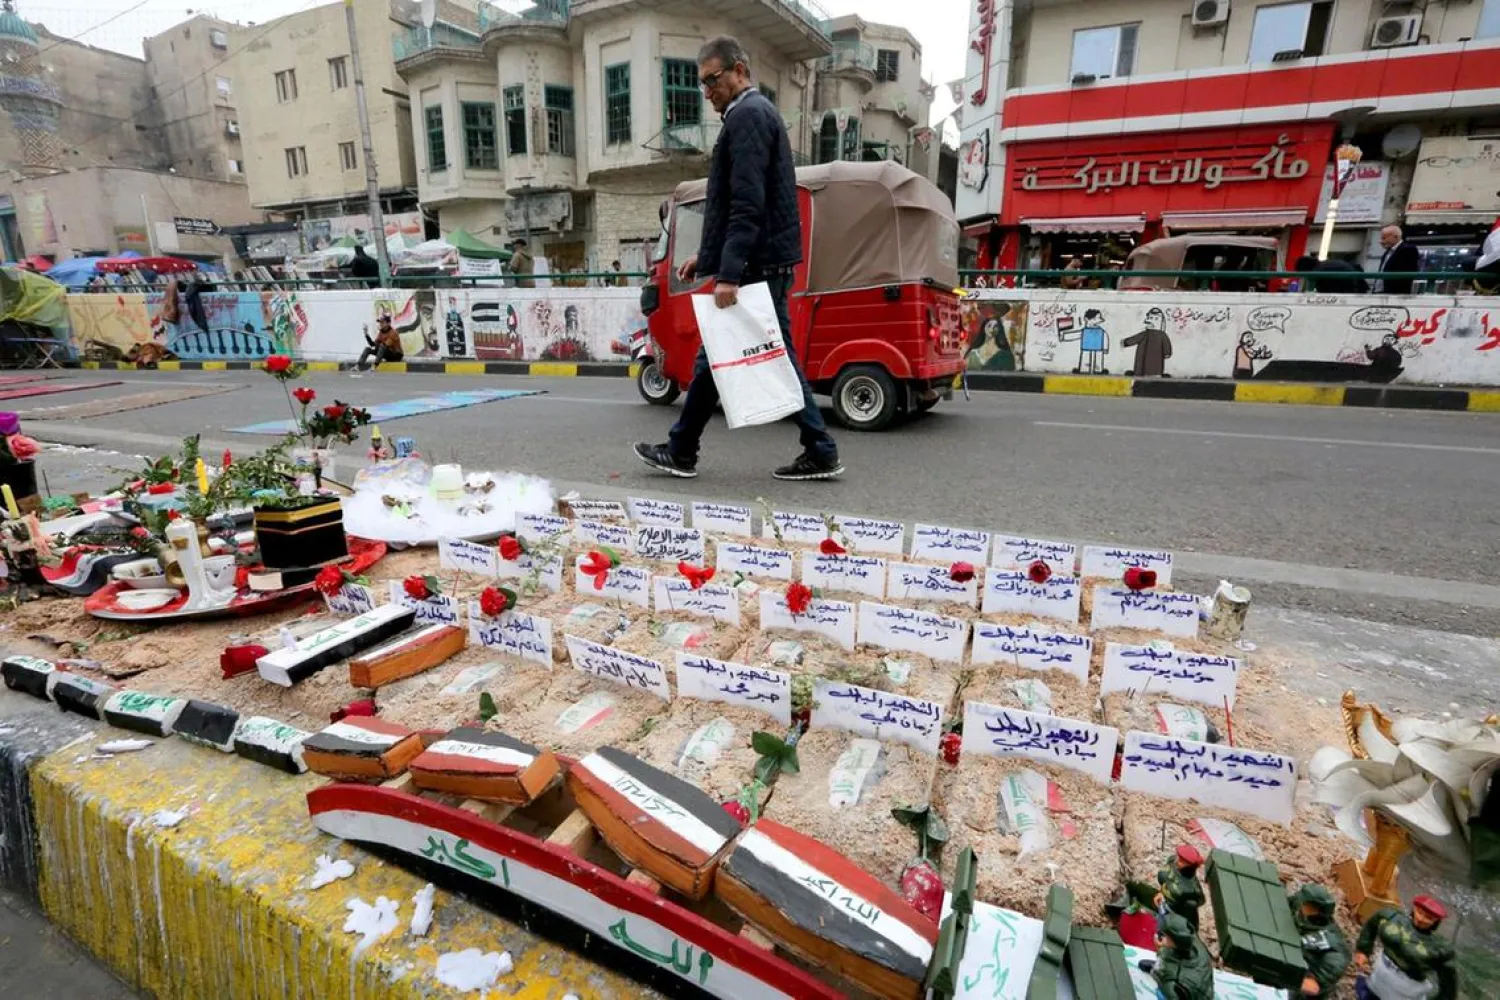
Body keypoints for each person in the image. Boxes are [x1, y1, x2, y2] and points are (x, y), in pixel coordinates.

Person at [633, 36, 841, 482]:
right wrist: (705, 259)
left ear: (740, 71)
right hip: (758, 264)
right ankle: (684, 448)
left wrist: (727, 275)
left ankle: (688, 449)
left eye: (714, 79)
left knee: (744, 358)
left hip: (755, 269)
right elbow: (732, 205)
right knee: (717, 360)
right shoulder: (751, 115)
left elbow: (747, 204)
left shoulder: (747, 116)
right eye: (702, 84)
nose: (708, 91)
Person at [1354, 895, 1456, 1000]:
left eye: (1428, 918)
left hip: (1406, 987)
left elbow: (1448, 985)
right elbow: (1372, 923)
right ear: (1414, 909)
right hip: (1381, 970)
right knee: (1370, 993)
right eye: (1419, 913)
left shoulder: (1439, 949)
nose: (1421, 919)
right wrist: (1363, 950)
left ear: (1435, 922)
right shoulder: (1392, 917)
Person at [1289, 884, 1351, 997]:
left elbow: (1312, 987)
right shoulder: (1300, 903)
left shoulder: (1335, 952)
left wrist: (1281, 975)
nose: (1302, 904)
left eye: (1307, 904)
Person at [1137, 914, 1214, 1000]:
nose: (1161, 936)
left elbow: (1172, 993)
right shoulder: (1194, 943)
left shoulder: (1175, 974)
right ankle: (1158, 968)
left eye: (1166, 936)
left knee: (1165, 987)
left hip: (1190, 992)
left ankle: (1158, 970)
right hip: (1201, 984)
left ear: (1176, 941)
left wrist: (1160, 949)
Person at [1155, 843, 1206, 934]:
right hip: (1163, 904)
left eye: (1182, 861)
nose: (1177, 861)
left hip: (1175, 915)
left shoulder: (1192, 889)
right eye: (1179, 857)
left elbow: (1200, 900)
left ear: (1190, 865)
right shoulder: (1172, 861)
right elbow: (1165, 877)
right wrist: (1161, 893)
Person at [1294, 254, 1370, 295]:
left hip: (1350, 292)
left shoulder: (1318, 271)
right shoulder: (1326, 264)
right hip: (1358, 289)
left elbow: (1323, 292)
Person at [1377, 225, 1421, 294]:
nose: (1381, 241)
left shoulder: (1408, 249)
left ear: (1395, 237)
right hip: (1382, 292)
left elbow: (1408, 273)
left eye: (1384, 238)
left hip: (1396, 293)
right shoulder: (1388, 251)